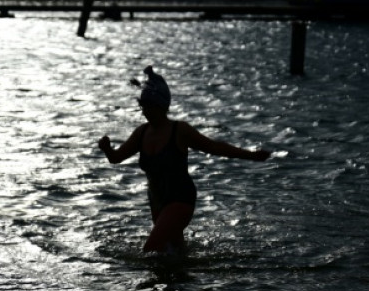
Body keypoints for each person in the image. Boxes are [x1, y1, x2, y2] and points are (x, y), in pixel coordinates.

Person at [98, 66, 271, 254]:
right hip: (157, 200)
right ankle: (187, 280)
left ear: (162, 106)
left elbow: (214, 147)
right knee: (173, 255)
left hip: (180, 199)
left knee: (151, 249)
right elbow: (116, 158)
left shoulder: (179, 130)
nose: (145, 110)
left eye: (150, 105)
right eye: (143, 105)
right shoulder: (142, 132)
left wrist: (251, 155)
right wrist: (107, 148)